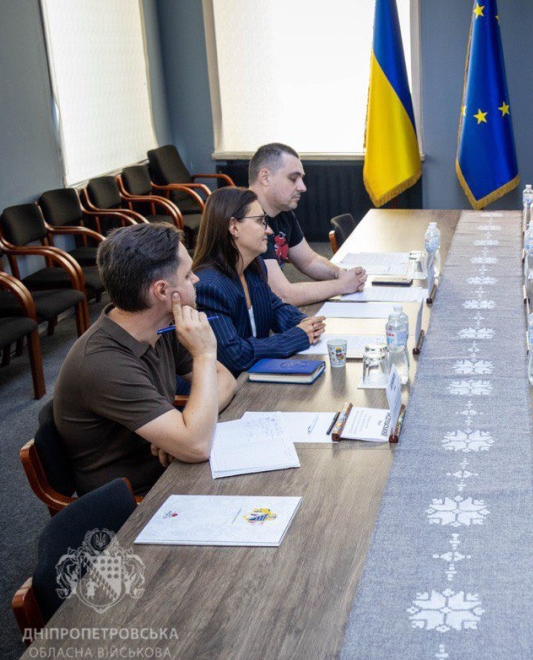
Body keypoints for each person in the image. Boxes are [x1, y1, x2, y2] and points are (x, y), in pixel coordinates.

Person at [54, 223, 237, 496]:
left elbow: (226, 380)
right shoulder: (103, 363)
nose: (197, 279)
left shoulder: (163, 326)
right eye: (187, 275)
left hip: (172, 470)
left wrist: (183, 427)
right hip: (138, 500)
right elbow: (197, 446)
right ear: (162, 291)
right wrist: (204, 354)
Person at [193, 187, 326, 375]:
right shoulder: (209, 287)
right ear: (234, 227)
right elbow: (235, 355)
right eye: (261, 222)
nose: (269, 230)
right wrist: (297, 336)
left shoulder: (254, 267)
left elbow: (275, 308)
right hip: (232, 387)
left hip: (256, 376)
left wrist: (305, 322)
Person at [248, 143, 366, 305]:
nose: (302, 187)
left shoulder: (283, 213)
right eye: (293, 179)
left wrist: (341, 274)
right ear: (265, 177)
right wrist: (342, 285)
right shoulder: (246, 221)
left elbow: (309, 261)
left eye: (301, 179)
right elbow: (283, 295)